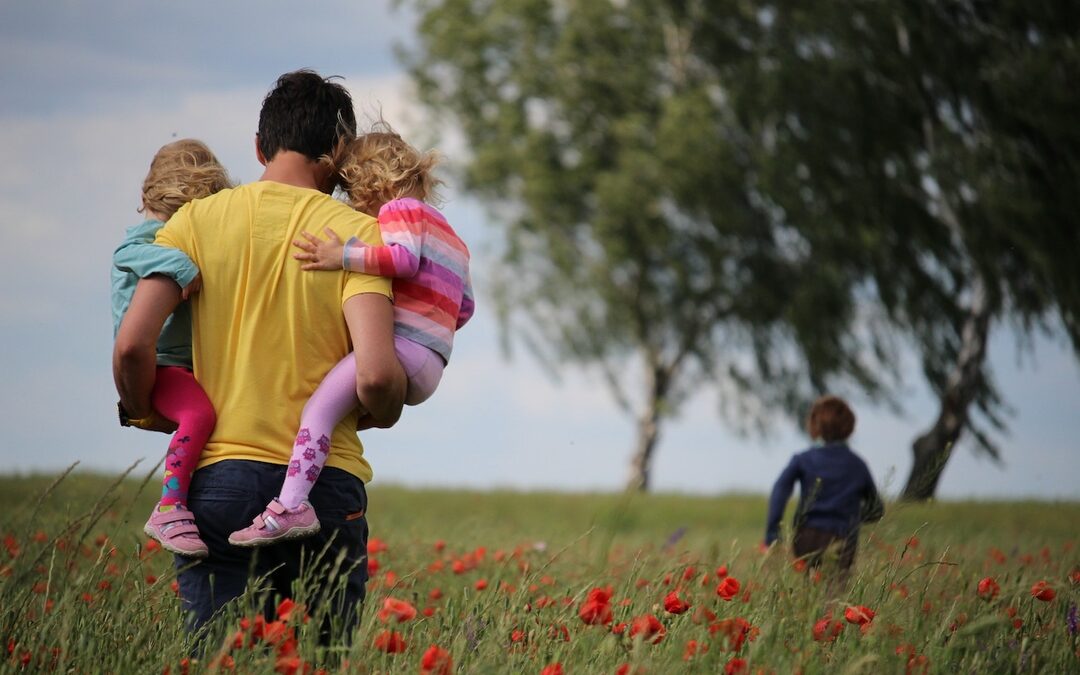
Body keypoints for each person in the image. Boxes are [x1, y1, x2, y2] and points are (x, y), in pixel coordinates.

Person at [113, 69, 406, 636]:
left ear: (258, 146)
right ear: (339, 152)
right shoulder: (358, 236)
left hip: (217, 480)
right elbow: (374, 375)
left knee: (223, 657)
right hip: (324, 487)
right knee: (322, 661)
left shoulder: (192, 223)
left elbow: (131, 345)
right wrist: (387, 407)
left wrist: (146, 406)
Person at [228, 125, 475, 546]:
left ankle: (291, 506)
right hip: (432, 362)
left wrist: (340, 255)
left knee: (317, 412)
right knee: (339, 412)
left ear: (373, 182)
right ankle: (303, 487)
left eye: (353, 191)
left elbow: (401, 260)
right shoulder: (453, 237)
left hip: (402, 350)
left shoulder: (400, 211)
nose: (353, 204)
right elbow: (465, 308)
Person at [111, 139, 232, 558]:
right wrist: (182, 266)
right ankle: (170, 506)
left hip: (180, 364)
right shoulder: (151, 237)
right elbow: (127, 253)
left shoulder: (169, 234)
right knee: (199, 414)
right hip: (161, 364)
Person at [763, 395, 884, 579]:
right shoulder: (858, 465)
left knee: (809, 590)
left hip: (807, 536)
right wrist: (852, 516)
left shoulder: (803, 459)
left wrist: (773, 535)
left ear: (815, 426)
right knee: (836, 594)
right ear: (849, 428)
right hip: (843, 537)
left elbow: (779, 492)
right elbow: (876, 509)